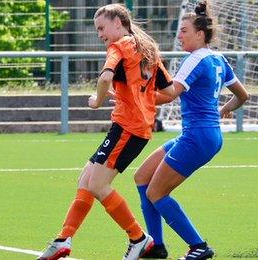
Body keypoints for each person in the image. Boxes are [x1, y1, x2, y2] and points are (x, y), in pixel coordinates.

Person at [37, 4, 175, 260]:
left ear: (118, 23)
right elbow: (169, 92)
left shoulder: (119, 46)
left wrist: (97, 101)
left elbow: (104, 77)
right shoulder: (147, 49)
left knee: (98, 185)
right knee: (86, 180)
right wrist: (135, 98)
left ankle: (138, 238)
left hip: (128, 128)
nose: (100, 33)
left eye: (102, 27)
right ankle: (63, 239)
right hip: (132, 127)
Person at [134, 1, 249, 259]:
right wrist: (221, 111)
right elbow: (243, 95)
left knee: (156, 192)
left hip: (197, 137)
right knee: (142, 178)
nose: (179, 35)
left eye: (184, 30)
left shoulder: (194, 59)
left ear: (200, 34)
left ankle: (199, 246)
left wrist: (134, 97)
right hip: (203, 134)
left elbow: (169, 95)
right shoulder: (218, 58)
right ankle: (157, 247)